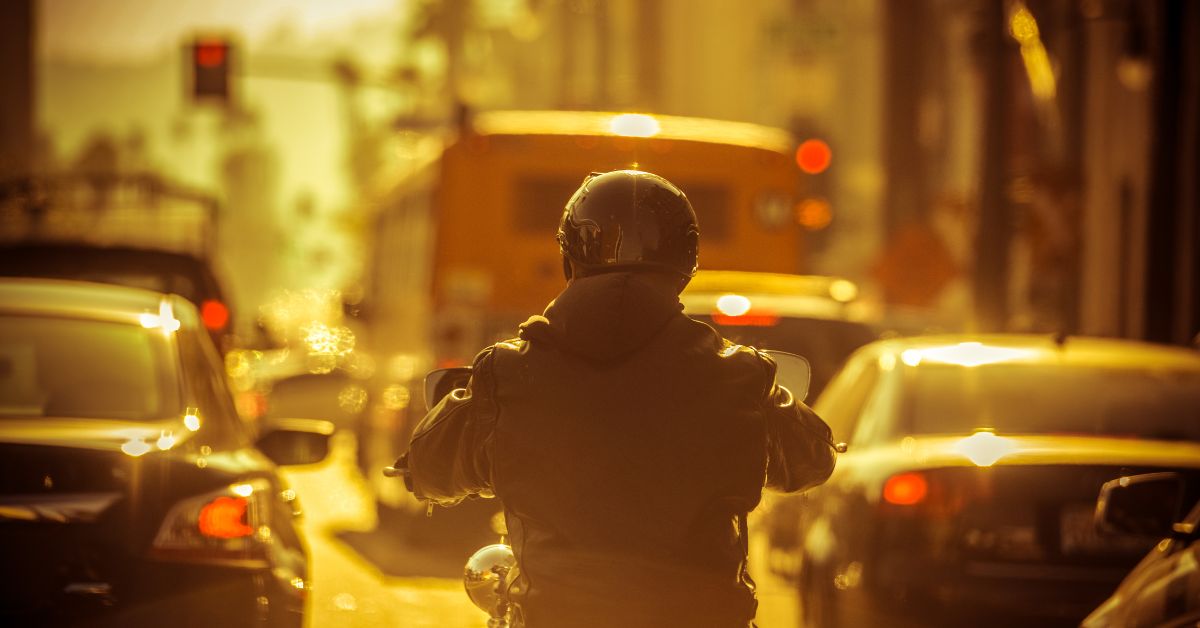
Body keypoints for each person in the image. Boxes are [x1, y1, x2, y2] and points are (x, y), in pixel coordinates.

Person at [398, 170, 837, 627]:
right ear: (685, 260)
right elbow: (812, 461)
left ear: (571, 255)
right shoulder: (738, 374)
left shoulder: (509, 373)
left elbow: (429, 469)